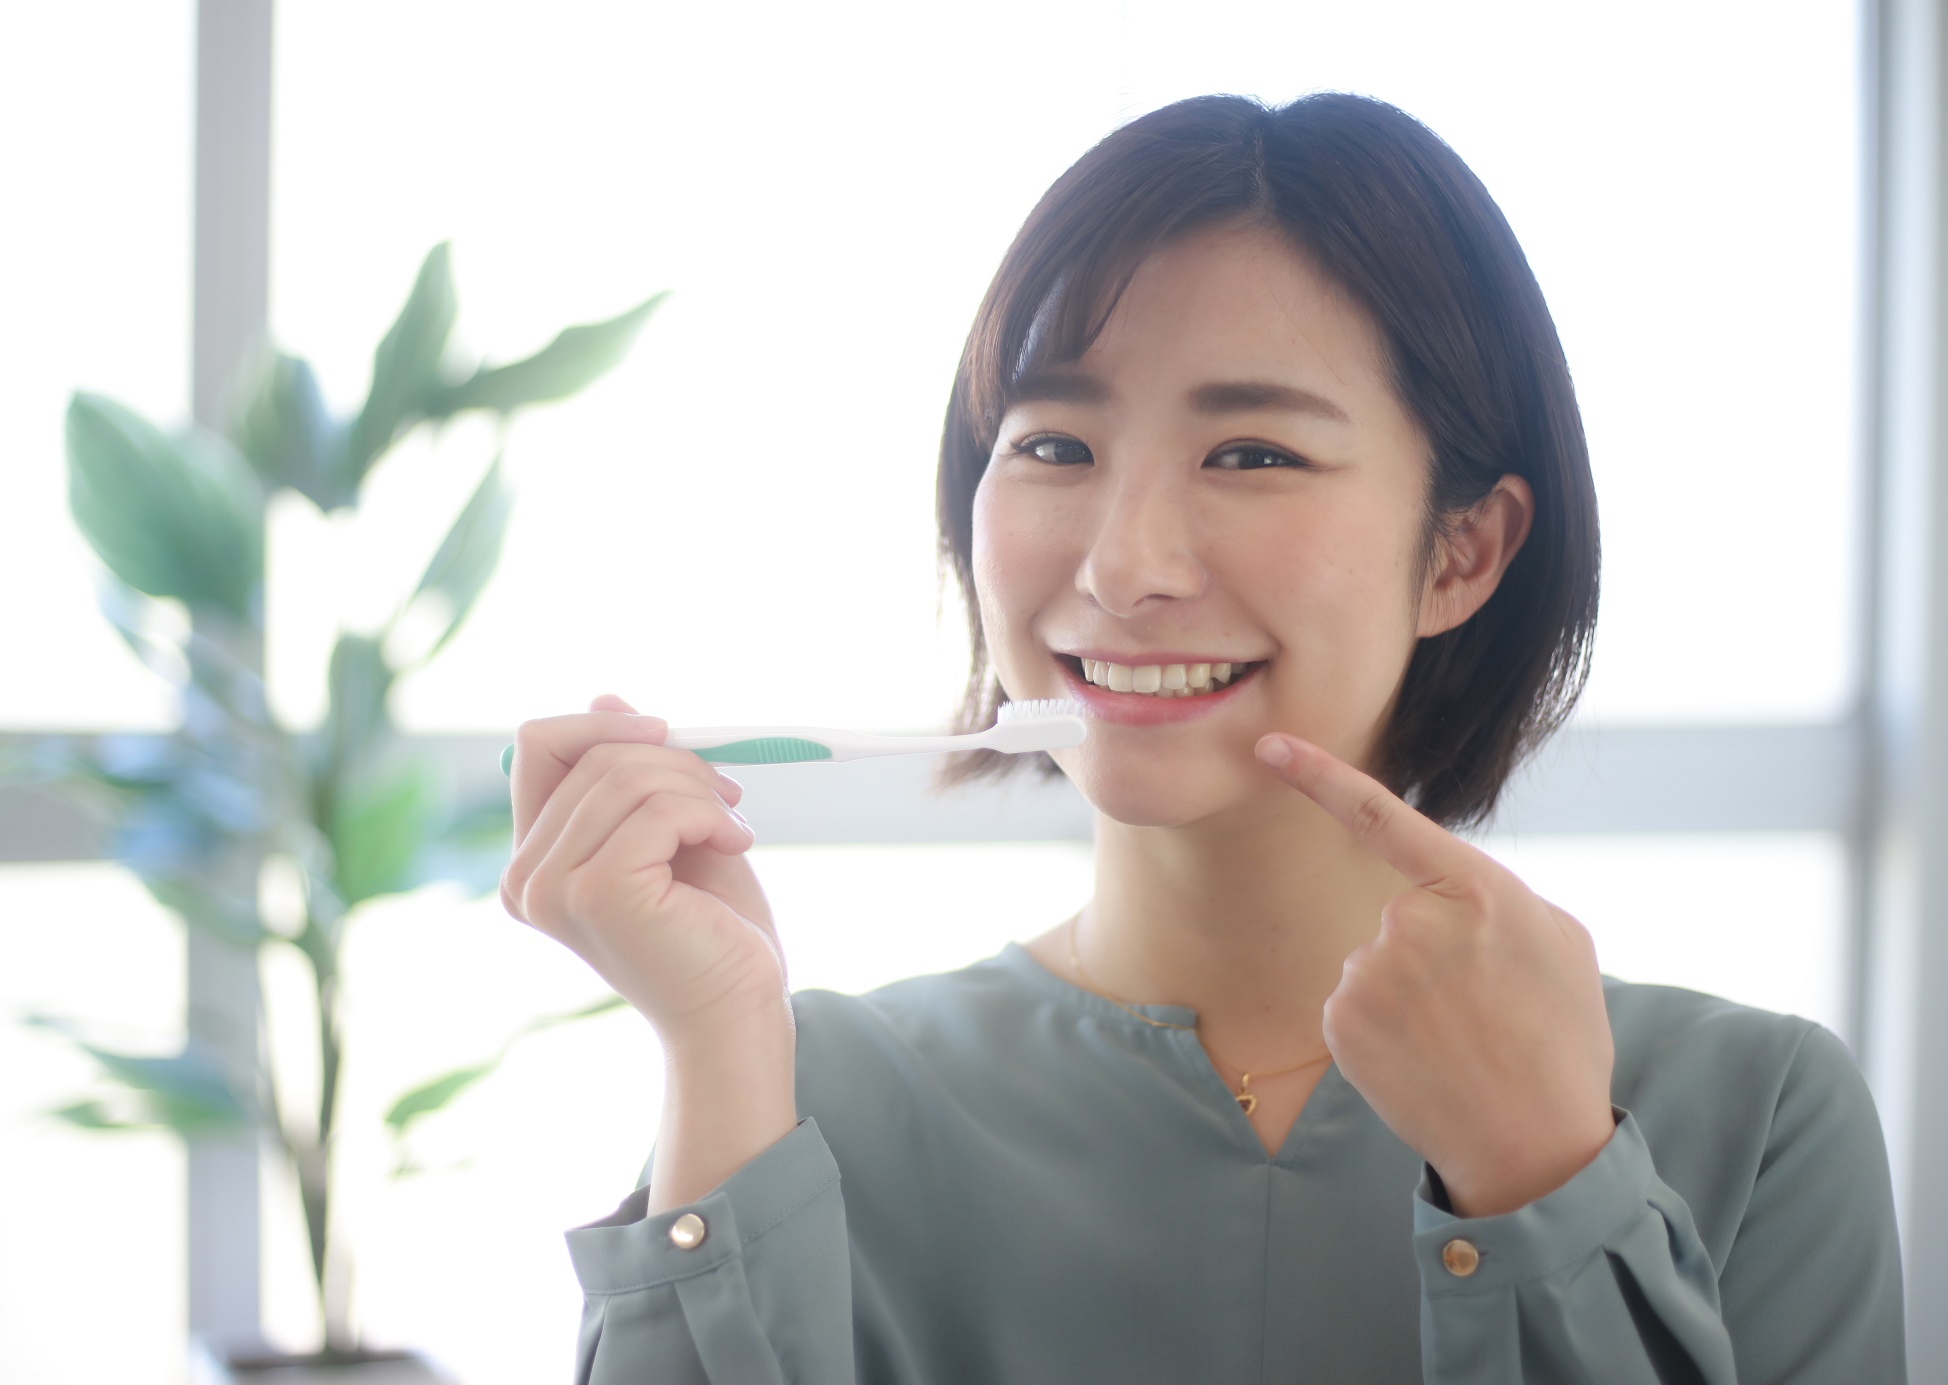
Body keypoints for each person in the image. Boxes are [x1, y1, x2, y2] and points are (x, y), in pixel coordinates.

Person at [500, 93, 1906, 1383]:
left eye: (1252, 455)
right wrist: (718, 1053)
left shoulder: (1751, 1115)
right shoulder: (797, 1099)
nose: (1123, 565)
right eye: (1053, 446)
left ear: (1462, 551)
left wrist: (1548, 1191)